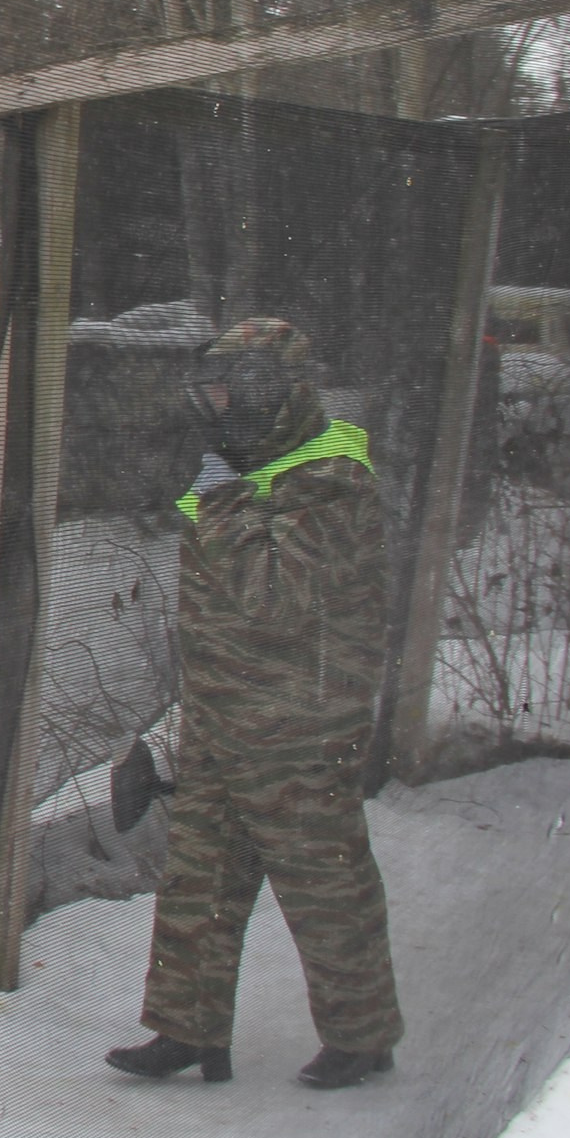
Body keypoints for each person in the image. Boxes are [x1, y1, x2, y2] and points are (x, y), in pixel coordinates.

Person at [107, 317, 403, 1091]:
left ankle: (361, 1036)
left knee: (323, 880)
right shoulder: (255, 473)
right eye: (209, 394)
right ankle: (187, 1030)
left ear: (275, 392)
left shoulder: (330, 478)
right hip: (225, 720)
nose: (217, 409)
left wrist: (223, 504)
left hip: (300, 728)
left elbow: (276, 597)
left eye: (229, 393)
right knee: (199, 880)